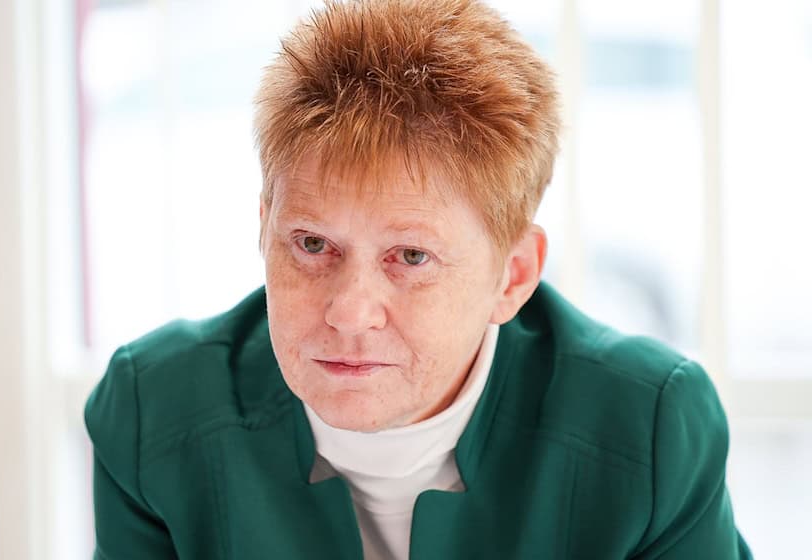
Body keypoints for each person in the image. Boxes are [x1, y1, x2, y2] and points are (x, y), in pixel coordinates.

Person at [85, 0, 752, 558]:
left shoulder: (650, 428)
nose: (350, 313)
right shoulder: (153, 410)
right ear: (265, 227)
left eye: (410, 257)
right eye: (313, 243)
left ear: (512, 276)